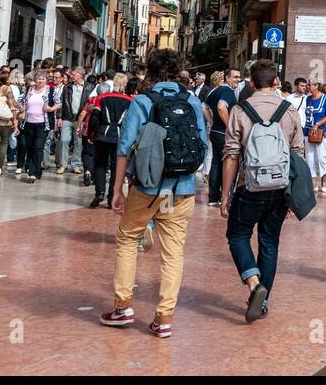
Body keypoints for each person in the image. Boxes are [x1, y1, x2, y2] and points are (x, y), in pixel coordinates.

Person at [100, 49, 206, 338]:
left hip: (147, 188)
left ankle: (123, 307)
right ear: (178, 72)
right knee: (173, 254)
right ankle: (164, 318)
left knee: (127, 238)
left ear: (150, 71)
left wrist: (117, 189)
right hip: (182, 189)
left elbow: (124, 148)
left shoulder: (143, 102)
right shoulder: (193, 102)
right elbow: (203, 145)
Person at [220, 59, 304, 322]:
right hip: (280, 188)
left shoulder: (240, 109)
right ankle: (264, 301)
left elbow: (231, 155)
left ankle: (254, 283)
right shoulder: (289, 111)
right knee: (269, 242)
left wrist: (225, 194)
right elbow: (297, 154)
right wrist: (294, 195)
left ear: (252, 83)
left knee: (237, 235)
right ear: (276, 82)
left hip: (249, 186)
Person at [86, 73, 132, 208]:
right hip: (119, 135)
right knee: (116, 167)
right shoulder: (129, 101)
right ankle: (112, 196)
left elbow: (95, 117)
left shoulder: (102, 98)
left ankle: (99, 192)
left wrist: (90, 134)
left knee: (100, 164)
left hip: (103, 134)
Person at [203, 68, 240, 207]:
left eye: (239, 77)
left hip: (215, 132)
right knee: (230, 164)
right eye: (235, 77)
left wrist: (213, 123)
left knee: (216, 163)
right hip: (225, 133)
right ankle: (227, 196)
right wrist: (230, 125)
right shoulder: (227, 91)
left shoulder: (215, 90)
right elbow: (221, 107)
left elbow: (204, 107)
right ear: (227, 78)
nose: (237, 79)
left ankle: (213, 197)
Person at [17, 71, 55, 183]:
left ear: (46, 80)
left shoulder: (50, 91)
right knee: (30, 147)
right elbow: (19, 101)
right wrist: (21, 107)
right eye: (39, 78)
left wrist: (51, 109)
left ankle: (32, 173)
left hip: (43, 124)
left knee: (38, 147)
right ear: (35, 79)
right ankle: (37, 170)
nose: (41, 81)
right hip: (28, 123)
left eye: (43, 79)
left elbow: (59, 103)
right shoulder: (29, 90)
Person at [57, 67, 90, 176]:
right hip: (68, 117)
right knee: (63, 140)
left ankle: (75, 165)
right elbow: (61, 103)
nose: (72, 76)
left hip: (81, 119)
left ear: (80, 75)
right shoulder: (67, 87)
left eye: (74, 75)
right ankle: (63, 164)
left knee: (79, 142)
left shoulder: (89, 87)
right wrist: (60, 117)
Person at [304, 79, 326, 194]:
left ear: (316, 86)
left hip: (321, 132)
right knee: (310, 158)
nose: (308, 86)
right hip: (308, 131)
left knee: (321, 157)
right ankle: (313, 181)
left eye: (310, 84)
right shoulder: (308, 99)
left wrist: (317, 124)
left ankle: (324, 177)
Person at [0, 79, 19, 174]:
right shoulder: (7, 89)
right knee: (4, 143)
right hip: (5, 122)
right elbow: (12, 105)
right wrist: (14, 120)